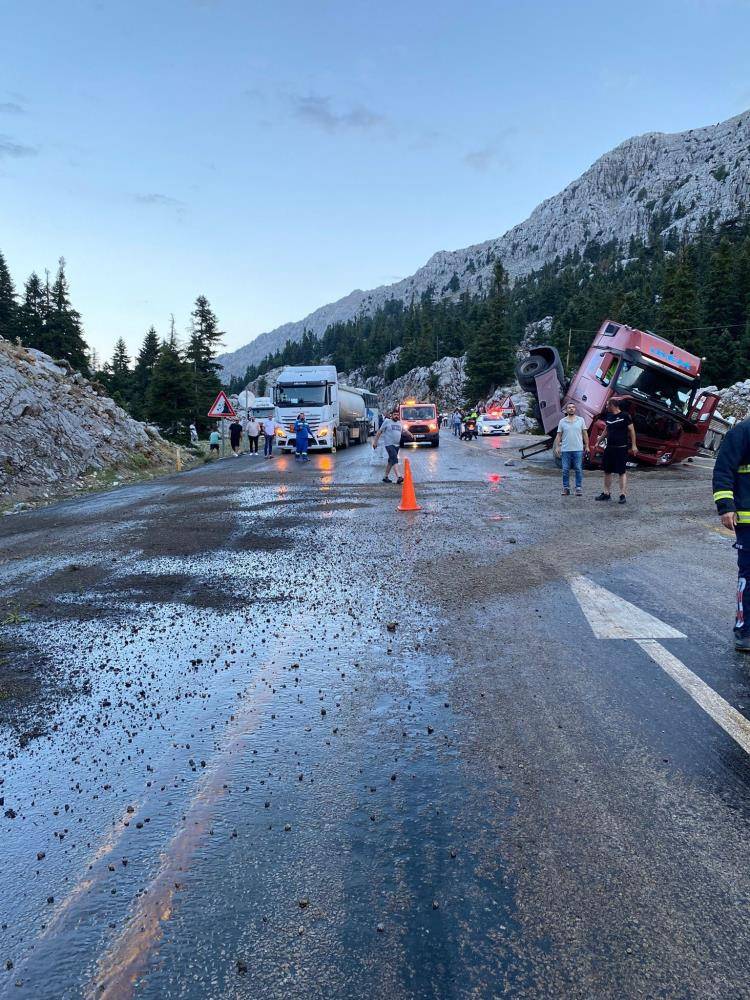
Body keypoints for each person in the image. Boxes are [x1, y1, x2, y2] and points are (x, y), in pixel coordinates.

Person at [712, 417, 750, 651]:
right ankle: (745, 630)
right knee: (749, 577)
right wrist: (726, 506)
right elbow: (723, 469)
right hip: (747, 522)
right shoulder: (743, 431)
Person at [595, 399, 637, 504]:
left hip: (621, 448)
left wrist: (634, 445)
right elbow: (606, 430)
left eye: (607, 405)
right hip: (610, 448)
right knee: (607, 470)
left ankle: (622, 495)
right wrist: (598, 441)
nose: (606, 407)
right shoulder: (609, 416)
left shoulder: (625, 416)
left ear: (612, 405)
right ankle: (606, 493)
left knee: (621, 471)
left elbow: (632, 430)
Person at [554, 402, 589, 496]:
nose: (571, 409)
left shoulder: (581, 420)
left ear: (575, 409)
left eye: (573, 407)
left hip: (578, 449)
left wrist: (587, 446)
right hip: (565, 449)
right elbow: (558, 435)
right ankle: (566, 488)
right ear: (566, 410)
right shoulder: (562, 421)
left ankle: (578, 488)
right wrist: (557, 446)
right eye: (569, 407)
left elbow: (585, 433)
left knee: (578, 468)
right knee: (565, 469)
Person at [373, 407, 409, 483]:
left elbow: (404, 430)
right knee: (395, 459)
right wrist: (375, 442)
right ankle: (399, 476)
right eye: (395, 415)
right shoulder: (387, 421)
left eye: (397, 415)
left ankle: (385, 477)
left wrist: (410, 434)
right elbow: (379, 432)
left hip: (397, 445)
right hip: (389, 444)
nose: (396, 416)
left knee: (391, 461)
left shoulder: (399, 423)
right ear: (391, 415)